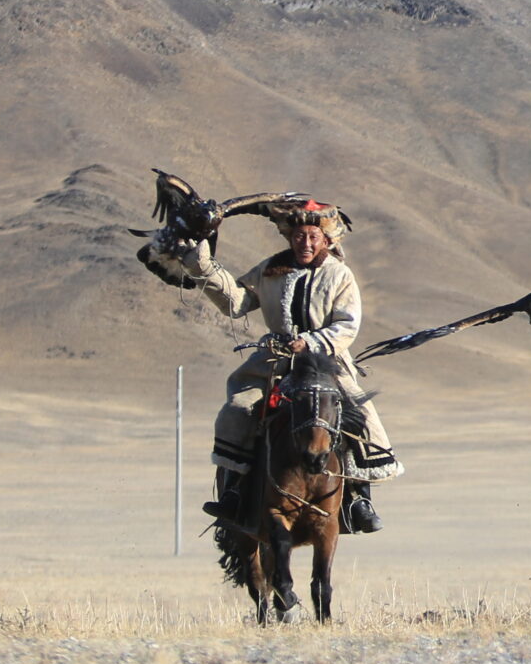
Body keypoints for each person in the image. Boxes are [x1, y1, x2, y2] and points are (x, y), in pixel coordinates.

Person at [171, 199, 400, 534]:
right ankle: (233, 493)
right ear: (289, 237)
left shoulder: (339, 275)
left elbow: (347, 324)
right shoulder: (270, 269)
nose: (305, 243)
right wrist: (203, 267)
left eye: (312, 237)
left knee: (360, 414)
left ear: (326, 240)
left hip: (325, 362)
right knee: (237, 410)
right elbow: (237, 302)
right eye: (299, 236)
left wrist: (310, 342)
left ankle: (358, 499)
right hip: (274, 361)